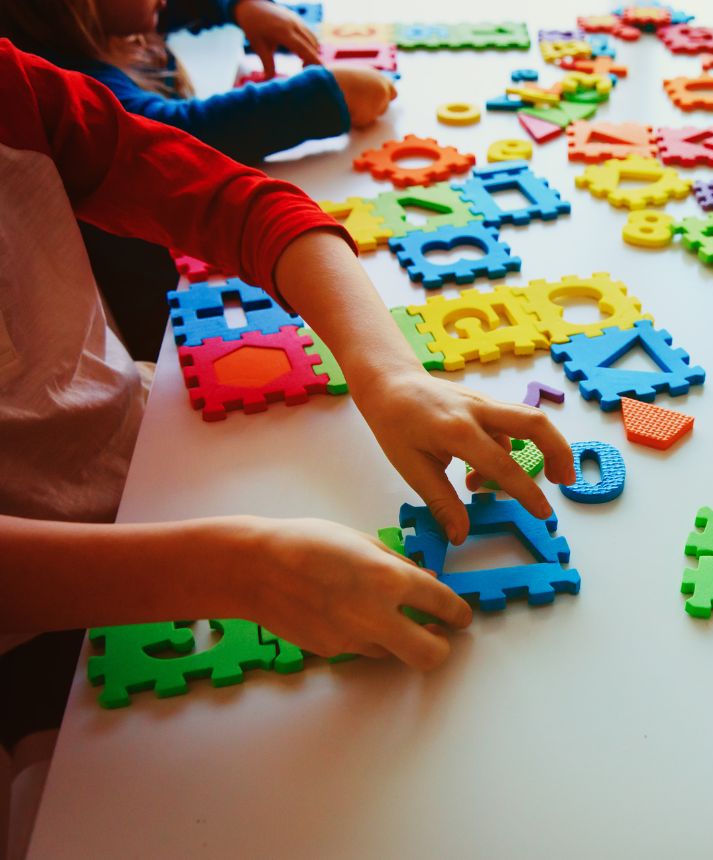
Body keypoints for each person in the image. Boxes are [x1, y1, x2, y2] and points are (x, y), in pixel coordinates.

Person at [0, 43, 576, 841]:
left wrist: (387, 371)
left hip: (141, 456)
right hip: (34, 627)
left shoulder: (12, 87)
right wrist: (239, 570)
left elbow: (239, 201)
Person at [0, 0, 398, 361]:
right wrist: (320, 97)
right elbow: (174, 136)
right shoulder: (56, 67)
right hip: (160, 318)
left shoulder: (99, 19)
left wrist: (241, 7)